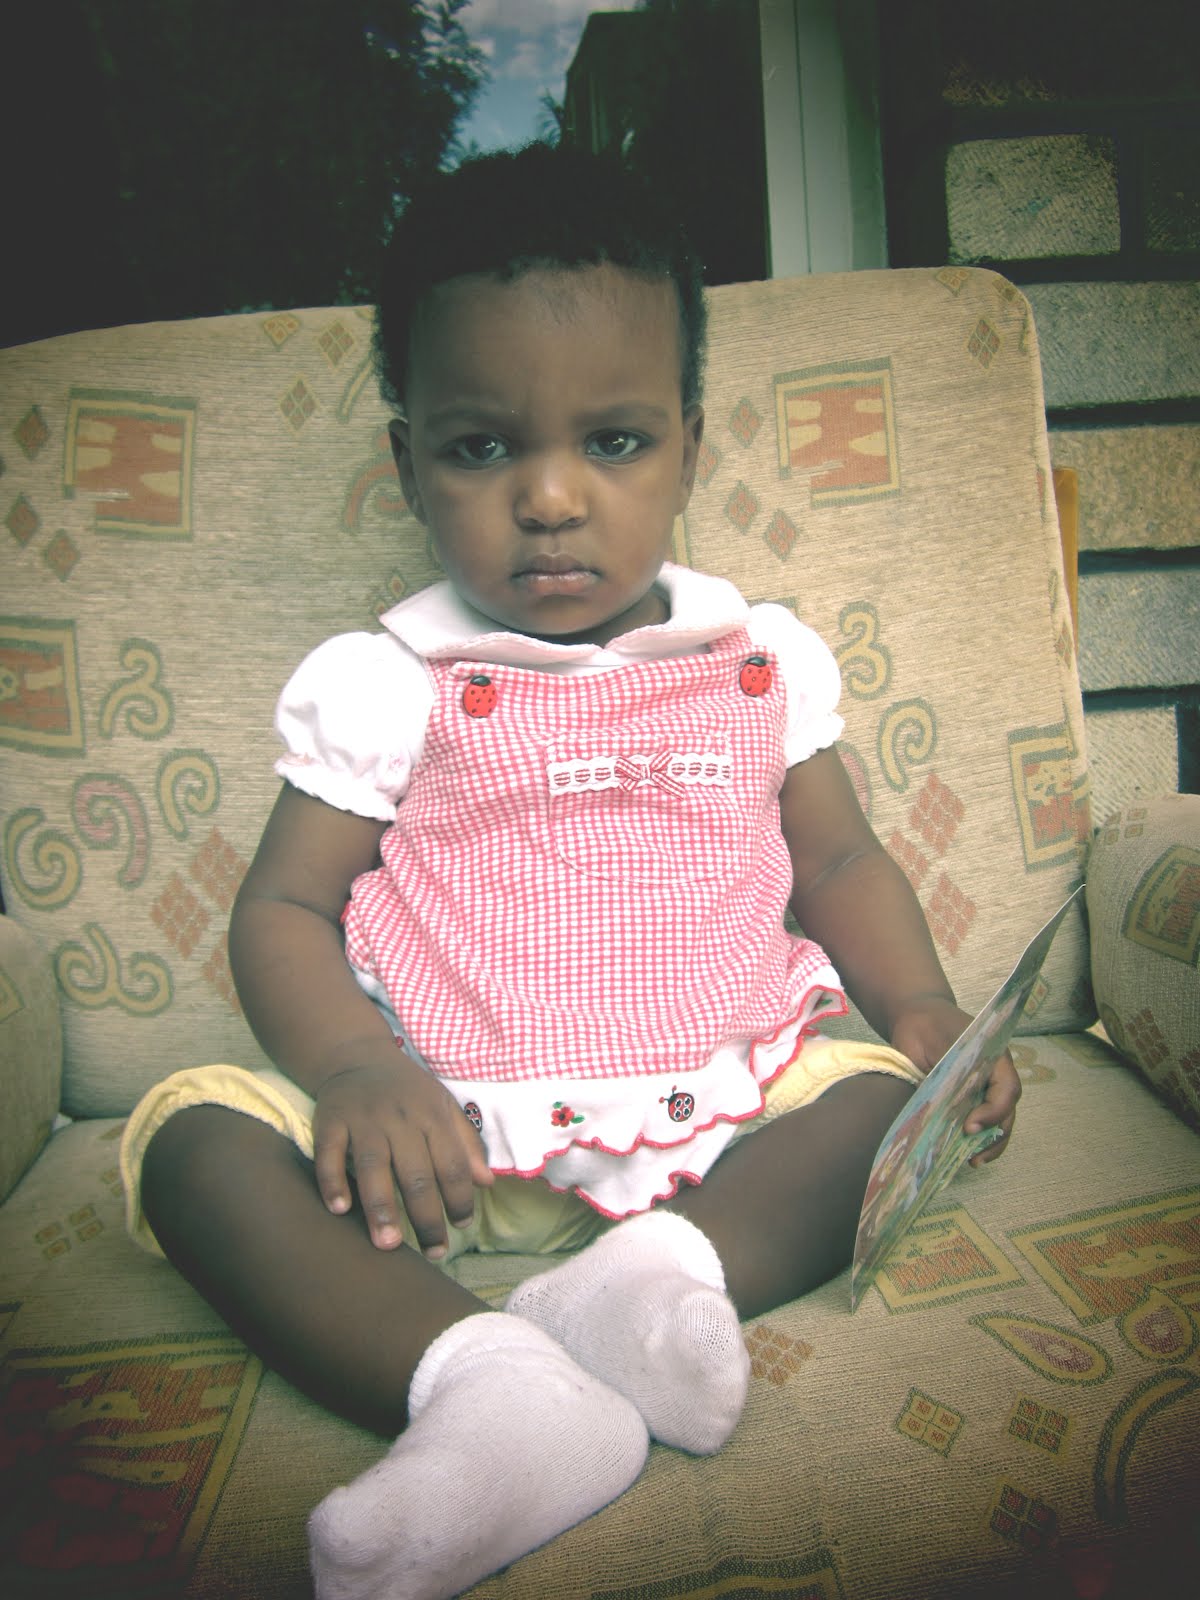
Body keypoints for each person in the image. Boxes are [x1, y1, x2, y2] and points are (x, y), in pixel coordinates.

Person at [121, 143, 1020, 1600]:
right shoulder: (393, 680)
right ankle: (483, 1387)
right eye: (483, 449)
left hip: (719, 1107)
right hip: (443, 1137)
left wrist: (921, 1008)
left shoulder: (759, 662)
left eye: (613, 441)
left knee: (878, 1106)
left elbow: (840, 854)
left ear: (689, 446)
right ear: (406, 466)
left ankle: (655, 1287)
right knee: (191, 1147)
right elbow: (283, 905)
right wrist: (353, 1069)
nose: (550, 497)